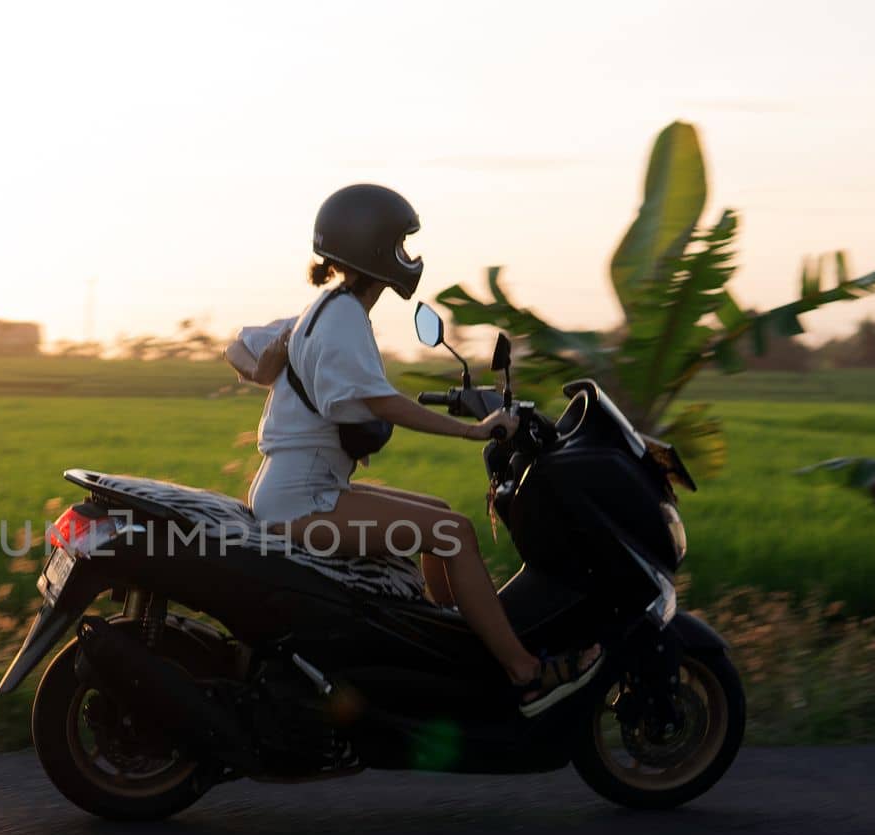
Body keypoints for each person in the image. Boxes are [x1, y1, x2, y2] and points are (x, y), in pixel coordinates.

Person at [227, 184, 600, 713]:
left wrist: (267, 362)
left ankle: (447, 646)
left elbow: (238, 346)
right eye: (400, 245)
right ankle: (525, 672)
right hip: (301, 506)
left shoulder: (326, 309)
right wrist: (473, 432)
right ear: (372, 248)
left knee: (440, 518)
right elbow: (382, 403)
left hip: (300, 492)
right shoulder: (341, 318)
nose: (409, 257)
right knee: (454, 533)